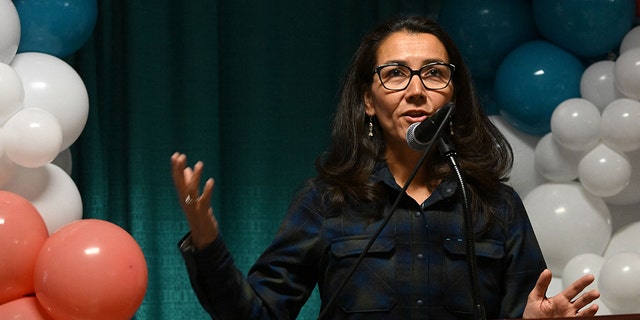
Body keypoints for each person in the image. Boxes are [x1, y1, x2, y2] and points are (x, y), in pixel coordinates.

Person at [171, 16, 600, 319]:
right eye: (395, 74)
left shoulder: (496, 204)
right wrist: (207, 243)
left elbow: (525, 308)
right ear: (367, 101)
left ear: (453, 95)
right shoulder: (326, 201)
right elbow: (258, 314)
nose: (416, 90)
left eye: (434, 73)